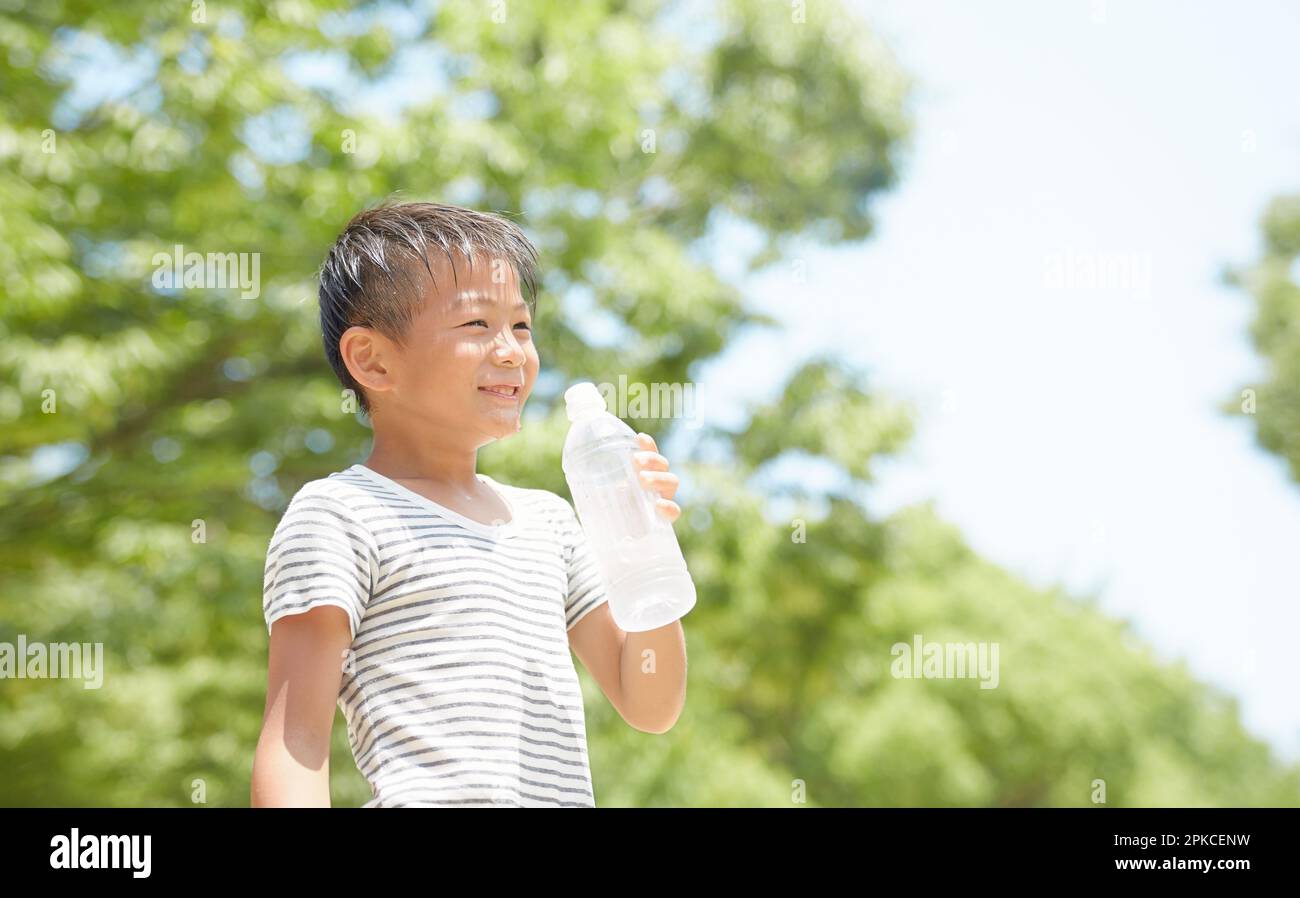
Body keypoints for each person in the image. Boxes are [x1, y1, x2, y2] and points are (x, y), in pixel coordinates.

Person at [250, 201, 687, 807]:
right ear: (372, 360)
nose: (511, 351)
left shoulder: (551, 523)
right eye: (476, 326)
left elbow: (651, 702)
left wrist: (645, 547)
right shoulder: (341, 514)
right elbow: (294, 743)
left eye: (522, 326)